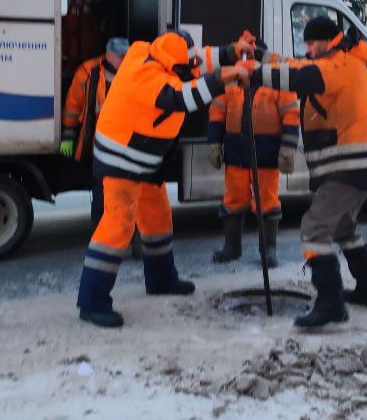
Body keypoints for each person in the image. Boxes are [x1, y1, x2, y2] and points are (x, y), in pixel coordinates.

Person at [76, 31, 252, 328]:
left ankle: (161, 279)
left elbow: (201, 57)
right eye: (185, 65)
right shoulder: (146, 75)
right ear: (171, 63)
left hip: (147, 159)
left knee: (157, 219)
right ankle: (92, 302)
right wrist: (221, 78)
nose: (192, 66)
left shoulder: (162, 55)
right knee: (116, 227)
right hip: (121, 159)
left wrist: (234, 50)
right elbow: (182, 98)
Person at [244, 16, 367, 329]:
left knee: (314, 227)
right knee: (344, 228)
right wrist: (263, 57)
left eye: (311, 42)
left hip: (350, 164)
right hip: (354, 163)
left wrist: (254, 75)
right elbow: (296, 65)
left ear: (326, 40)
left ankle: (330, 302)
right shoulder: (334, 59)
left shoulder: (339, 65)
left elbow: (299, 79)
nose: (307, 48)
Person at [207, 39, 300, 267]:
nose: (247, 59)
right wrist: (214, 144)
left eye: (251, 55)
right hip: (236, 154)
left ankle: (268, 251)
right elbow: (217, 113)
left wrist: (288, 149)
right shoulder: (231, 80)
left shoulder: (278, 81)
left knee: (267, 203)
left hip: (266, 156)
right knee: (233, 201)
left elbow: (291, 116)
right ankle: (232, 248)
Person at [61, 37, 129, 225]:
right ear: (108, 55)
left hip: (126, 145)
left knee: (125, 195)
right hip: (99, 144)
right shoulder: (87, 72)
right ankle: (102, 231)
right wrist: (68, 135)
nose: (124, 59)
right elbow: (73, 106)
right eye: (120, 56)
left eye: (126, 55)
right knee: (101, 192)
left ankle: (128, 234)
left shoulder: (133, 71)